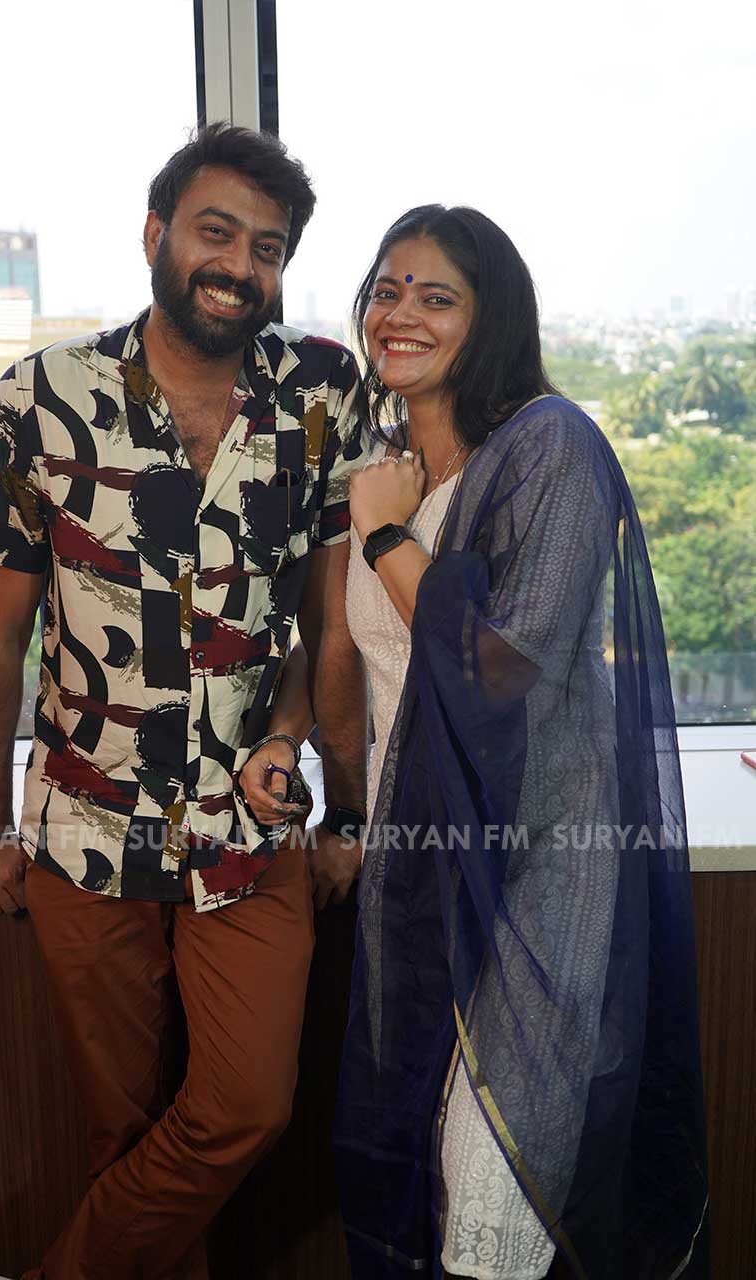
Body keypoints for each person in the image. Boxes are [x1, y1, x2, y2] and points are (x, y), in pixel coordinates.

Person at [244, 206, 709, 1278]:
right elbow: (343, 652)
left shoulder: (550, 446)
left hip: (540, 864)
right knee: (433, 1180)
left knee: (498, 1188)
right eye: (385, 289)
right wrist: (292, 750)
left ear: (490, 316)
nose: (398, 312)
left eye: (435, 295)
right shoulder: (382, 463)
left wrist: (387, 534)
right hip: (418, 869)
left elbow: (498, 665)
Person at [0, 123, 367, 1280]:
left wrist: (341, 804)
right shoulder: (39, 398)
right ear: (156, 234)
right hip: (86, 824)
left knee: (246, 1104)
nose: (238, 264)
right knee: (126, 1133)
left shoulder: (321, 391)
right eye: (215, 232)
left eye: (267, 248)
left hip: (249, 824)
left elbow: (332, 629)